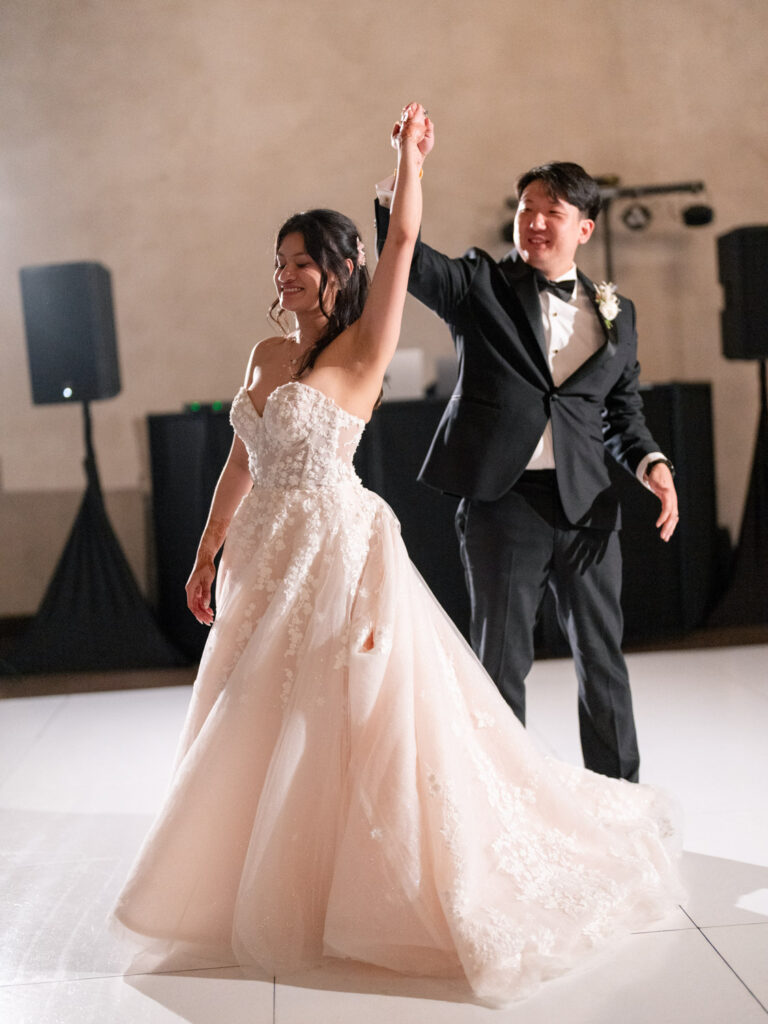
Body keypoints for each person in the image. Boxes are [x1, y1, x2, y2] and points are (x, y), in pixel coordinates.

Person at [110, 105, 682, 1008]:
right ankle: (246, 878)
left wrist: (407, 161)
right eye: (279, 262)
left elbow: (409, 237)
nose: (285, 275)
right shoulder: (264, 355)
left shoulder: (368, 344)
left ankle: (428, 858)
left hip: (345, 546)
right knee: (254, 710)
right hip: (267, 555)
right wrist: (208, 546)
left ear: (336, 272)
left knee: (354, 714)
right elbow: (241, 458)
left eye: (301, 261)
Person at [375, 148, 679, 784]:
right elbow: (413, 261)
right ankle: (503, 807)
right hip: (504, 502)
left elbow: (620, 412)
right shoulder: (481, 284)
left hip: (587, 506)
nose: (535, 221)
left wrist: (651, 462)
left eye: (552, 212)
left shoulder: (615, 312)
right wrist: (406, 172)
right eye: (526, 209)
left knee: (603, 660)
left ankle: (620, 801)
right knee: (500, 663)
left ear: (584, 229)